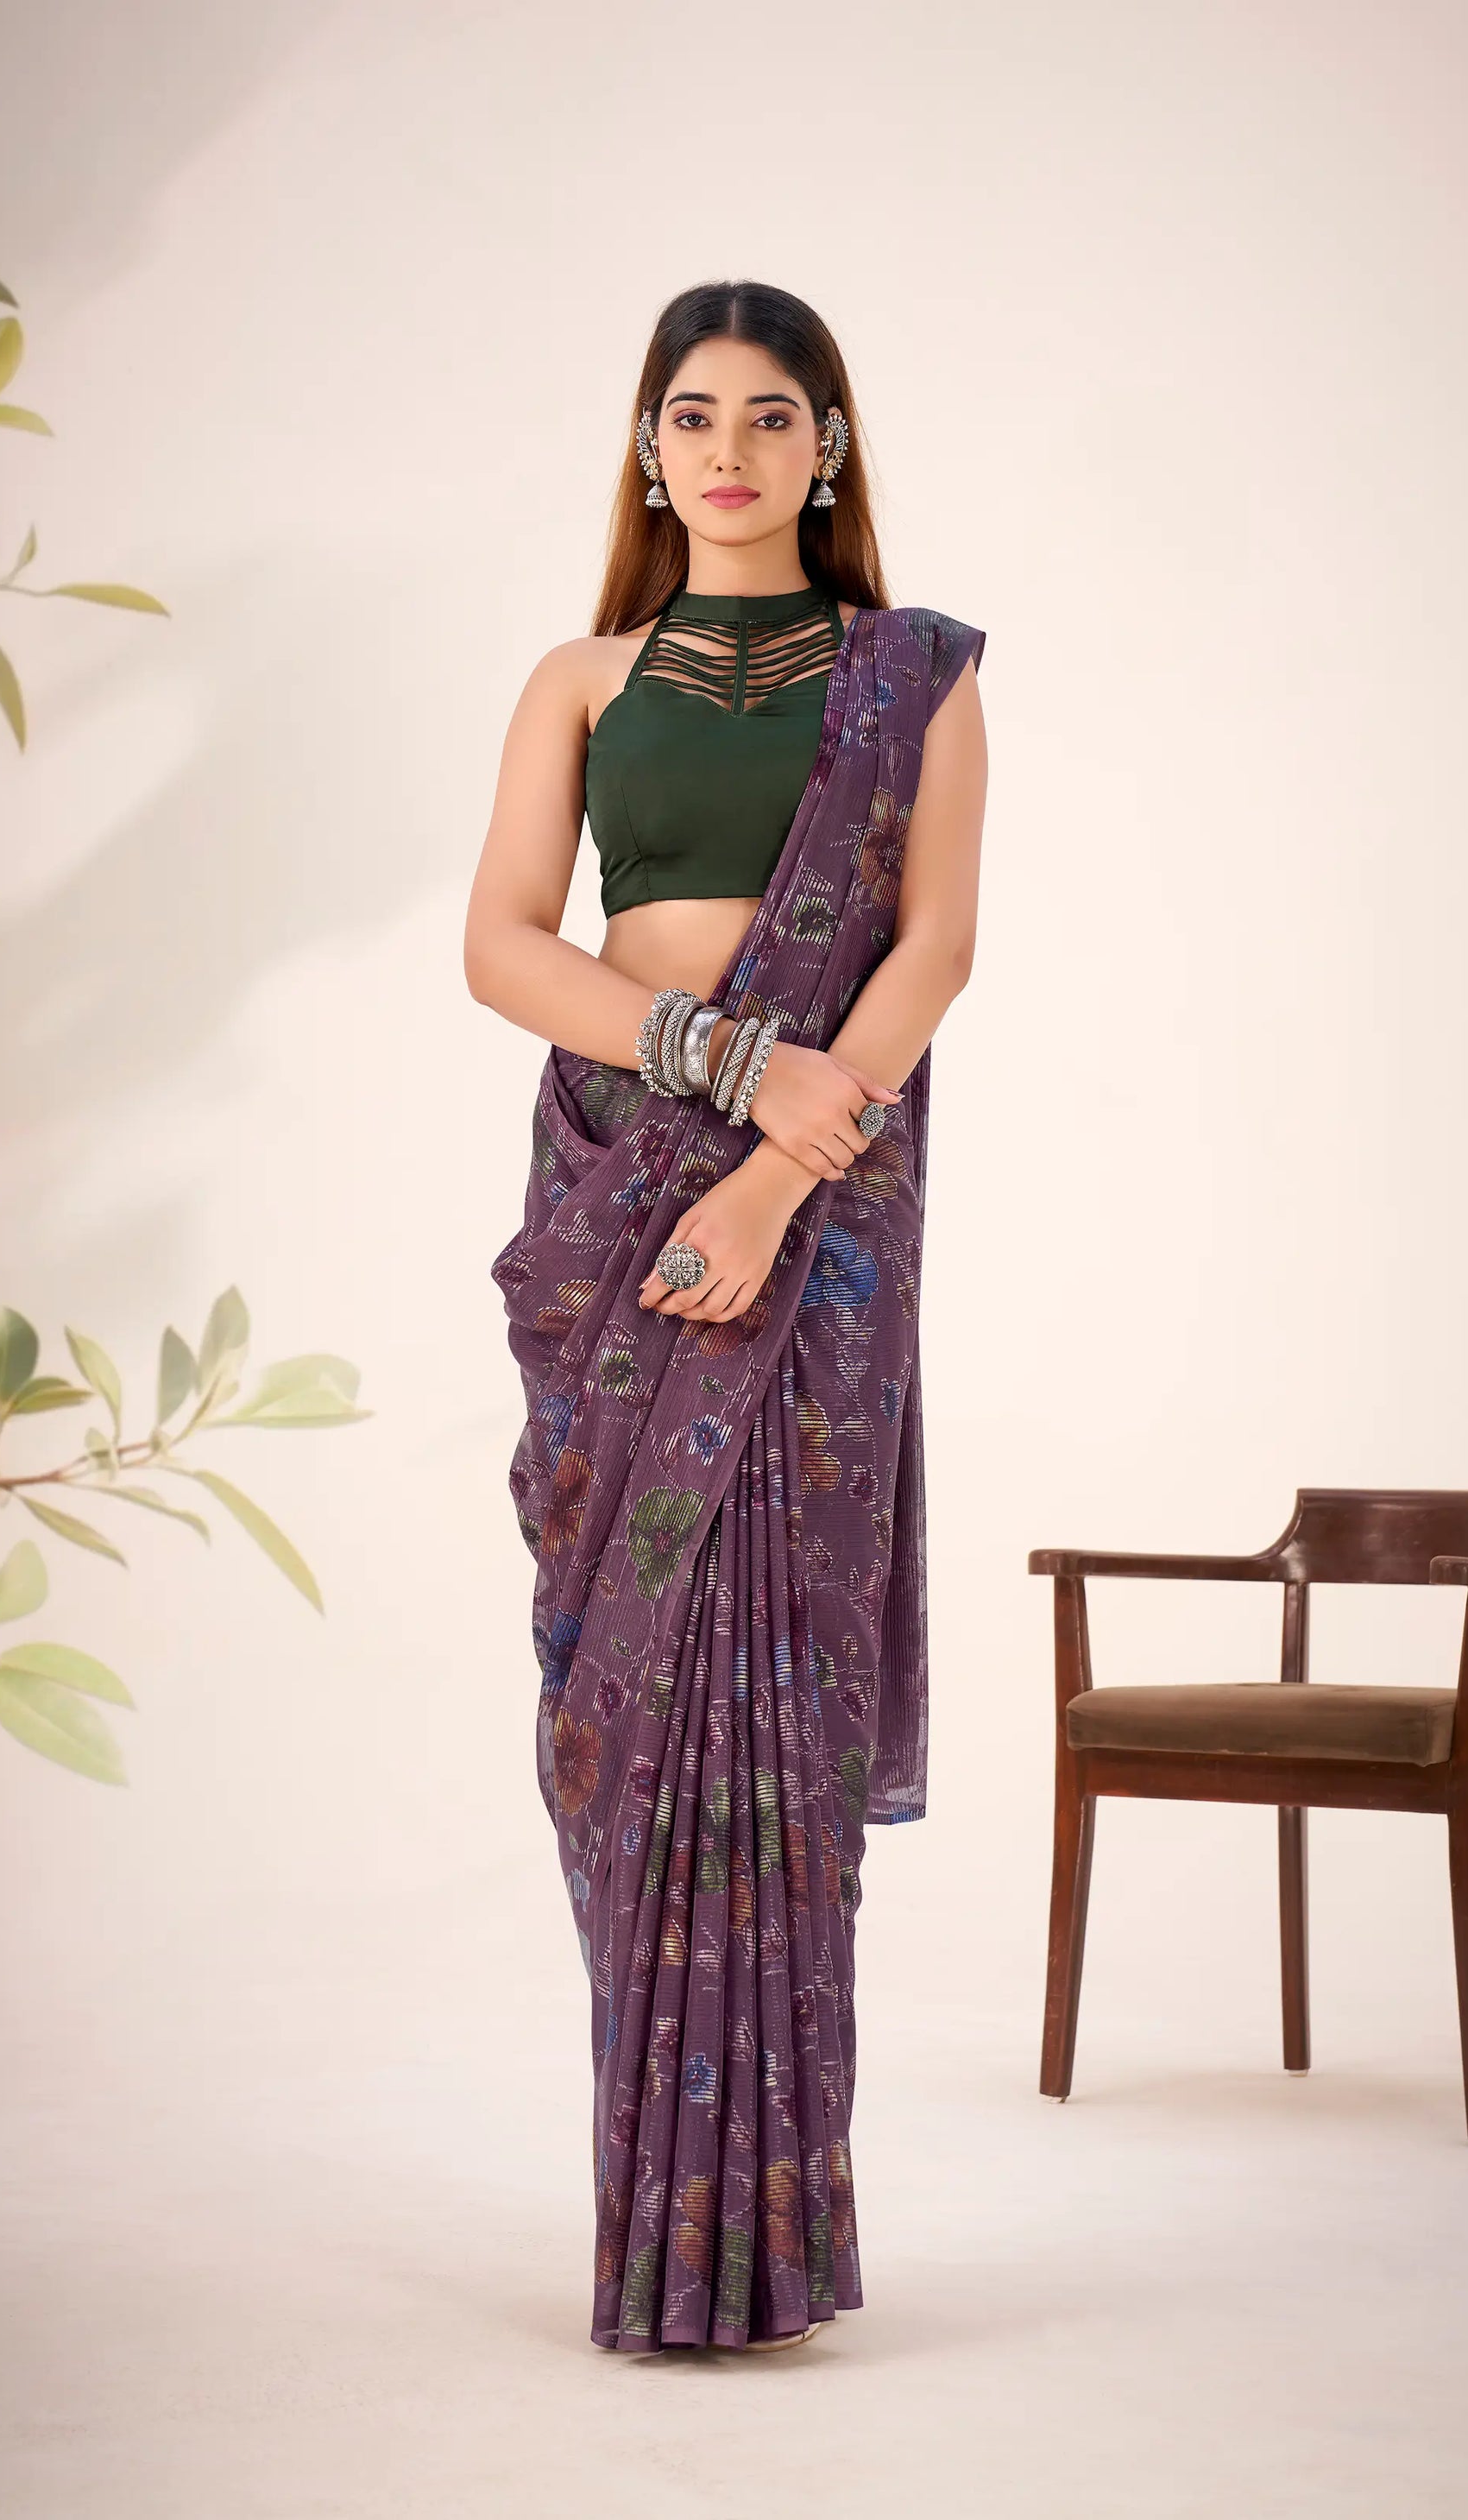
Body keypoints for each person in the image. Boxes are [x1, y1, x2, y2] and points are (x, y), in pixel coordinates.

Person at [465, 279, 986, 2353]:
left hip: (820, 1210)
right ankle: (649, 2231)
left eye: (774, 415)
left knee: (781, 1685)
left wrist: (777, 1171)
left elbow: (931, 952)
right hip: (619, 1175)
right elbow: (504, 943)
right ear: (649, 444)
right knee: (622, 1697)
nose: (733, 449)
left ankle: (765, 2246)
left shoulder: (912, 676)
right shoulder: (581, 678)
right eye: (696, 414)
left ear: (826, 446)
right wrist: (715, 1063)